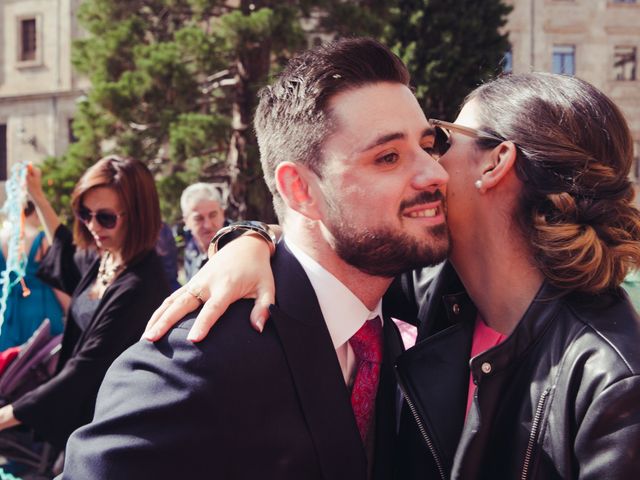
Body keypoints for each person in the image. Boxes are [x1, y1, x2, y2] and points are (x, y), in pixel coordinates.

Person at [146, 72, 640, 478]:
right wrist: (246, 239)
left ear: (495, 163)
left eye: (439, 141)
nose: (426, 164)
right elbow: (335, 243)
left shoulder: (614, 381)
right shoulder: (442, 289)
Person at [60, 38, 449, 479]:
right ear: (301, 190)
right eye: (389, 157)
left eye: (429, 145)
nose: (435, 173)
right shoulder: (200, 355)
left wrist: (248, 235)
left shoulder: (391, 331)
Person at [0, 156, 169, 454]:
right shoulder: (107, 257)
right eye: (84, 213)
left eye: (105, 217)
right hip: (86, 413)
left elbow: (87, 367)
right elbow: (66, 250)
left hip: (112, 429)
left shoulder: (140, 285)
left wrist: (10, 413)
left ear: (138, 215)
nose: (92, 226)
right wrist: (37, 195)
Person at [0, 201, 69, 351]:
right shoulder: (42, 239)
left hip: (6, 311)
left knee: (7, 368)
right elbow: (56, 280)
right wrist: (71, 307)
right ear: (36, 211)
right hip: (40, 309)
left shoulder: (2, 237)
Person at [180, 182, 226, 281]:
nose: (207, 225)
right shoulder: (191, 250)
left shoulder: (239, 245)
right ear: (186, 221)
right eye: (198, 218)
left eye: (213, 215)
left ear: (222, 214)